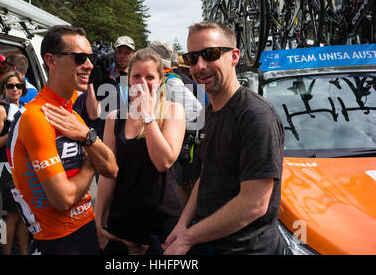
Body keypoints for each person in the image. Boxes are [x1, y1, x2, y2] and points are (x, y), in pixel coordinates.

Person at [164, 21, 285, 255]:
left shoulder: (256, 116)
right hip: (208, 240)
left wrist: (188, 238)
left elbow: (254, 204)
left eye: (210, 54)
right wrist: (183, 224)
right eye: (192, 58)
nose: (200, 66)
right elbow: (207, 175)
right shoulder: (208, 113)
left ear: (234, 57)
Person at [6, 25, 118, 255]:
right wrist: (88, 165)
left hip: (85, 229)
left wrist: (88, 136)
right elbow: (63, 198)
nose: (88, 65)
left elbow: (112, 168)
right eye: (79, 58)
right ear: (52, 61)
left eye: (90, 57)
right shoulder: (36, 117)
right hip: (58, 242)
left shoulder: (71, 116)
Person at [95, 47, 186, 254]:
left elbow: (163, 162)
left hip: (161, 222)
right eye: (136, 76)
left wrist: (147, 116)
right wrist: (98, 219)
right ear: (128, 79)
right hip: (123, 221)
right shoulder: (115, 118)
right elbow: (109, 173)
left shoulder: (173, 111)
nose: (143, 83)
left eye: (150, 77)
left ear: (161, 80)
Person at [149, 40, 203, 205]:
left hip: (181, 146)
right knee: (182, 184)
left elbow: (196, 110)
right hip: (179, 144)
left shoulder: (171, 81)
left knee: (179, 185)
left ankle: (186, 221)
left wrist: (176, 128)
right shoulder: (165, 79)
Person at [0, 71, 30, 255]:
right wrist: (13, 133)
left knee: (23, 215)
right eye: (10, 86)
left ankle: (23, 252)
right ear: (3, 88)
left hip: (24, 168)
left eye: (18, 86)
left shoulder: (24, 108)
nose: (15, 89)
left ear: (23, 89)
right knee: (11, 216)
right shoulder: (0, 109)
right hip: (7, 169)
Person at [82, 35, 136, 138]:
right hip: (101, 134)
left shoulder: (135, 78)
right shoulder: (103, 74)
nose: (122, 56)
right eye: (119, 52)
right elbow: (94, 113)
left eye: (127, 52)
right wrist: (91, 83)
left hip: (124, 136)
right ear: (114, 52)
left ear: (133, 54)